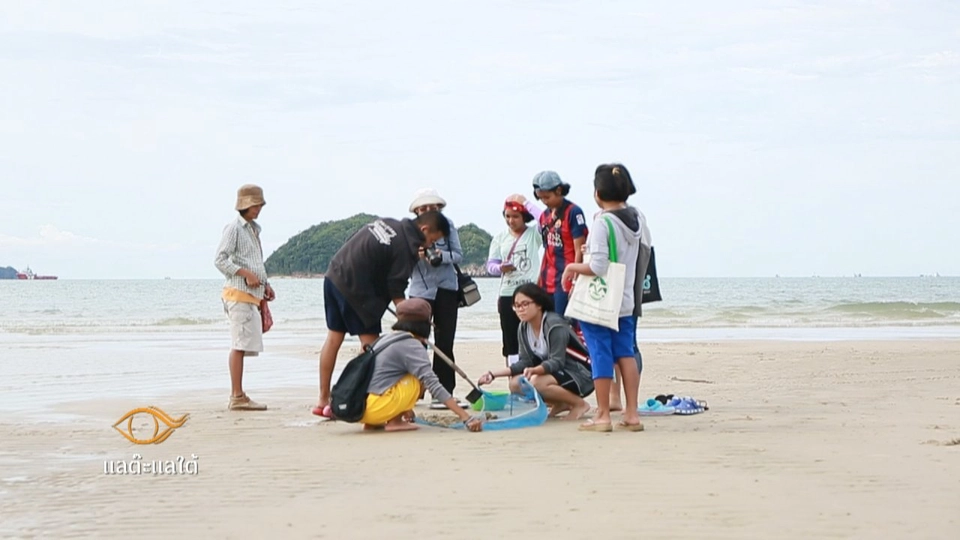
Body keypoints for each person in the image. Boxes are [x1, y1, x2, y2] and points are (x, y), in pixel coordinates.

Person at [313, 211, 451, 417]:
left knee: (334, 337)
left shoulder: (389, 223)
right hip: (358, 290)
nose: (430, 246)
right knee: (374, 350)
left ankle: (323, 399)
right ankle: (355, 401)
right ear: (424, 230)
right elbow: (396, 288)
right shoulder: (406, 247)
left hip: (334, 276)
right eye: (432, 240)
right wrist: (412, 322)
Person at [561, 163, 649, 432]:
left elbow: (598, 267)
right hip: (625, 299)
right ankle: (632, 414)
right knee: (626, 352)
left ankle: (602, 415)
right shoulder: (636, 218)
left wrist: (572, 267)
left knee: (601, 354)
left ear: (598, 192)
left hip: (600, 302)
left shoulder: (602, 221)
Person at [360, 298, 483, 432]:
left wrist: (406, 408)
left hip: (361, 409)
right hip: (377, 407)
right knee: (417, 380)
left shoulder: (385, 339)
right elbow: (433, 384)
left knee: (402, 373)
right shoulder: (412, 345)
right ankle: (395, 422)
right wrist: (465, 417)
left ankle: (374, 422)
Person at [477, 283, 594, 421]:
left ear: (539, 304)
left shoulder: (554, 324)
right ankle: (561, 403)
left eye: (525, 304)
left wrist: (535, 370)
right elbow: (525, 361)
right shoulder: (523, 327)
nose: (520, 310)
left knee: (536, 382)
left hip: (581, 373)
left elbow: (557, 361)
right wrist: (493, 374)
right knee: (515, 384)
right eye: (517, 306)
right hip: (557, 374)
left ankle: (579, 404)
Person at [214, 184, 275, 411]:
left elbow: (255, 263)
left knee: (243, 344)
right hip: (238, 295)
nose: (258, 208)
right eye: (255, 204)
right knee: (239, 345)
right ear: (245, 205)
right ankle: (237, 396)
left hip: (250, 295)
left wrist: (265, 285)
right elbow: (220, 260)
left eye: (259, 204)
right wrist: (245, 274)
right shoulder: (234, 229)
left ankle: (239, 394)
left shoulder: (253, 230)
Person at [406, 188, 465, 409]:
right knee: (416, 342)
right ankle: (413, 391)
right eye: (423, 209)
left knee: (445, 342)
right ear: (417, 211)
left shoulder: (447, 226)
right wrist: (417, 254)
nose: (428, 211)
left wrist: (442, 256)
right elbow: (402, 261)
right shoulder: (410, 231)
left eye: (432, 208)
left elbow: (459, 254)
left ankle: (444, 393)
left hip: (446, 289)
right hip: (420, 291)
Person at [486, 197, 542, 366]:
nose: (511, 221)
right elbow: (490, 265)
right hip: (507, 294)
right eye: (507, 216)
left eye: (515, 216)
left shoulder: (533, 234)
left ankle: (534, 379)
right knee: (511, 341)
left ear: (524, 216)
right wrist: (500, 268)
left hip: (529, 292)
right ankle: (514, 379)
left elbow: (545, 219)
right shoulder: (500, 238)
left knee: (534, 337)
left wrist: (526, 203)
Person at [527, 171, 588, 316]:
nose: (545, 201)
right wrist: (539, 280)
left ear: (559, 190)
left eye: (547, 197)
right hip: (547, 279)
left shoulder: (574, 212)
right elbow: (547, 250)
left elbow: (579, 249)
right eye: (541, 198)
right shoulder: (544, 216)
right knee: (547, 323)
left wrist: (575, 281)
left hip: (566, 279)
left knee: (562, 324)